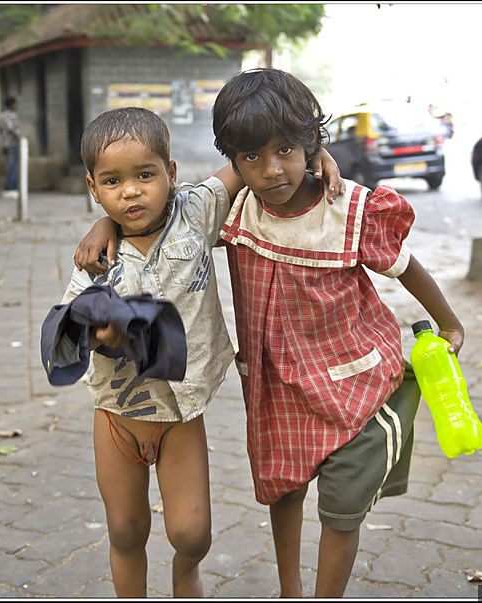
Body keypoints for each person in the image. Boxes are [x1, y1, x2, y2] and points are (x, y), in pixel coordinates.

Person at [75, 68, 465, 598]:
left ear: (310, 143)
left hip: (353, 381)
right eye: (252, 157)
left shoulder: (345, 209)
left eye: (286, 150)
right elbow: (154, 208)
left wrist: (449, 322)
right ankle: (289, 591)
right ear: (235, 162)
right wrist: (108, 223)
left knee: (341, 506)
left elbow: (406, 266)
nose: (272, 169)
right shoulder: (237, 209)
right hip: (278, 387)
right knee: (284, 490)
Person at [61, 107, 342, 597]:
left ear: (170, 173)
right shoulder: (96, 258)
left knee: (193, 536)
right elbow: (68, 332)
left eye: (145, 175)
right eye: (112, 181)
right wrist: (99, 334)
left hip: (181, 414)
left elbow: (249, 161)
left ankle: (185, 574)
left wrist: (315, 151)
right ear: (93, 188)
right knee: (125, 531)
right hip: (117, 417)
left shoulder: (196, 212)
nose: (130, 192)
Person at [0, 96, 21, 199]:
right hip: (12, 144)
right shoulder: (11, 116)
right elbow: (10, 127)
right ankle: (10, 188)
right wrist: (17, 137)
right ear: (11, 105)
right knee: (12, 167)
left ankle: (12, 187)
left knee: (12, 166)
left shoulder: (1, 116)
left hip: (5, 143)